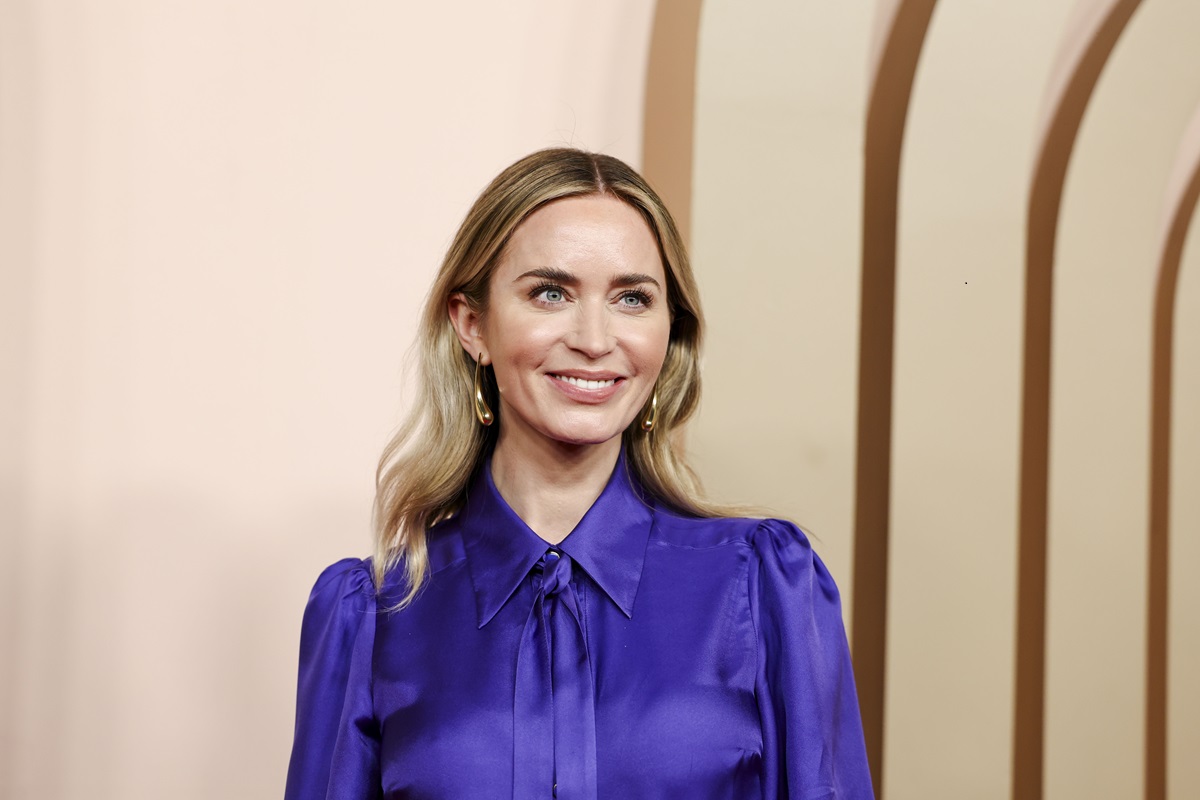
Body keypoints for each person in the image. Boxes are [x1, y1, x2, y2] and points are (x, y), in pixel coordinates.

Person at [283, 148, 873, 799]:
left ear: (667, 331)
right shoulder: (374, 614)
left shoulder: (765, 584)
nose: (595, 338)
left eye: (631, 298)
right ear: (472, 325)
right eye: (551, 293)